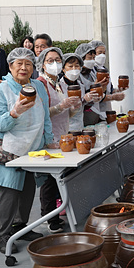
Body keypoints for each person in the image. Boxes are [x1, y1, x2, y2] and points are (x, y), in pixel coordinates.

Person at [0, 48, 53, 253]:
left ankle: (20, 226)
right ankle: (2, 235)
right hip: (9, 148)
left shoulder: (38, 88)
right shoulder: (0, 91)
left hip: (32, 147)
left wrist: (49, 141)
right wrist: (14, 113)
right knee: (9, 192)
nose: (24, 68)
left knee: (27, 189)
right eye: (19, 64)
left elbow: (46, 117)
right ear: (10, 66)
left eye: (28, 64)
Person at [36, 47, 83, 232]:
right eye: (50, 60)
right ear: (42, 64)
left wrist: (74, 107)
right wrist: (61, 106)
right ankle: (49, 217)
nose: (54, 64)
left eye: (57, 60)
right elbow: (40, 114)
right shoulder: (41, 84)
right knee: (49, 180)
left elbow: (67, 113)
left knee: (61, 178)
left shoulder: (61, 85)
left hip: (64, 135)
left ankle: (61, 211)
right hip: (49, 138)